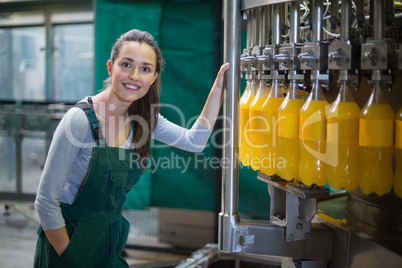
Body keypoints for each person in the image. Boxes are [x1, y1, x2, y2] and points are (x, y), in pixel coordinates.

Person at [33, 29, 230, 267]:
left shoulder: (145, 119)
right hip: (65, 244)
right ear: (110, 67)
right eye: (126, 64)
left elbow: (194, 142)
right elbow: (45, 201)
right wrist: (72, 259)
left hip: (108, 242)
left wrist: (219, 87)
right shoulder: (79, 120)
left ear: (154, 77)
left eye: (145, 69)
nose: (134, 76)